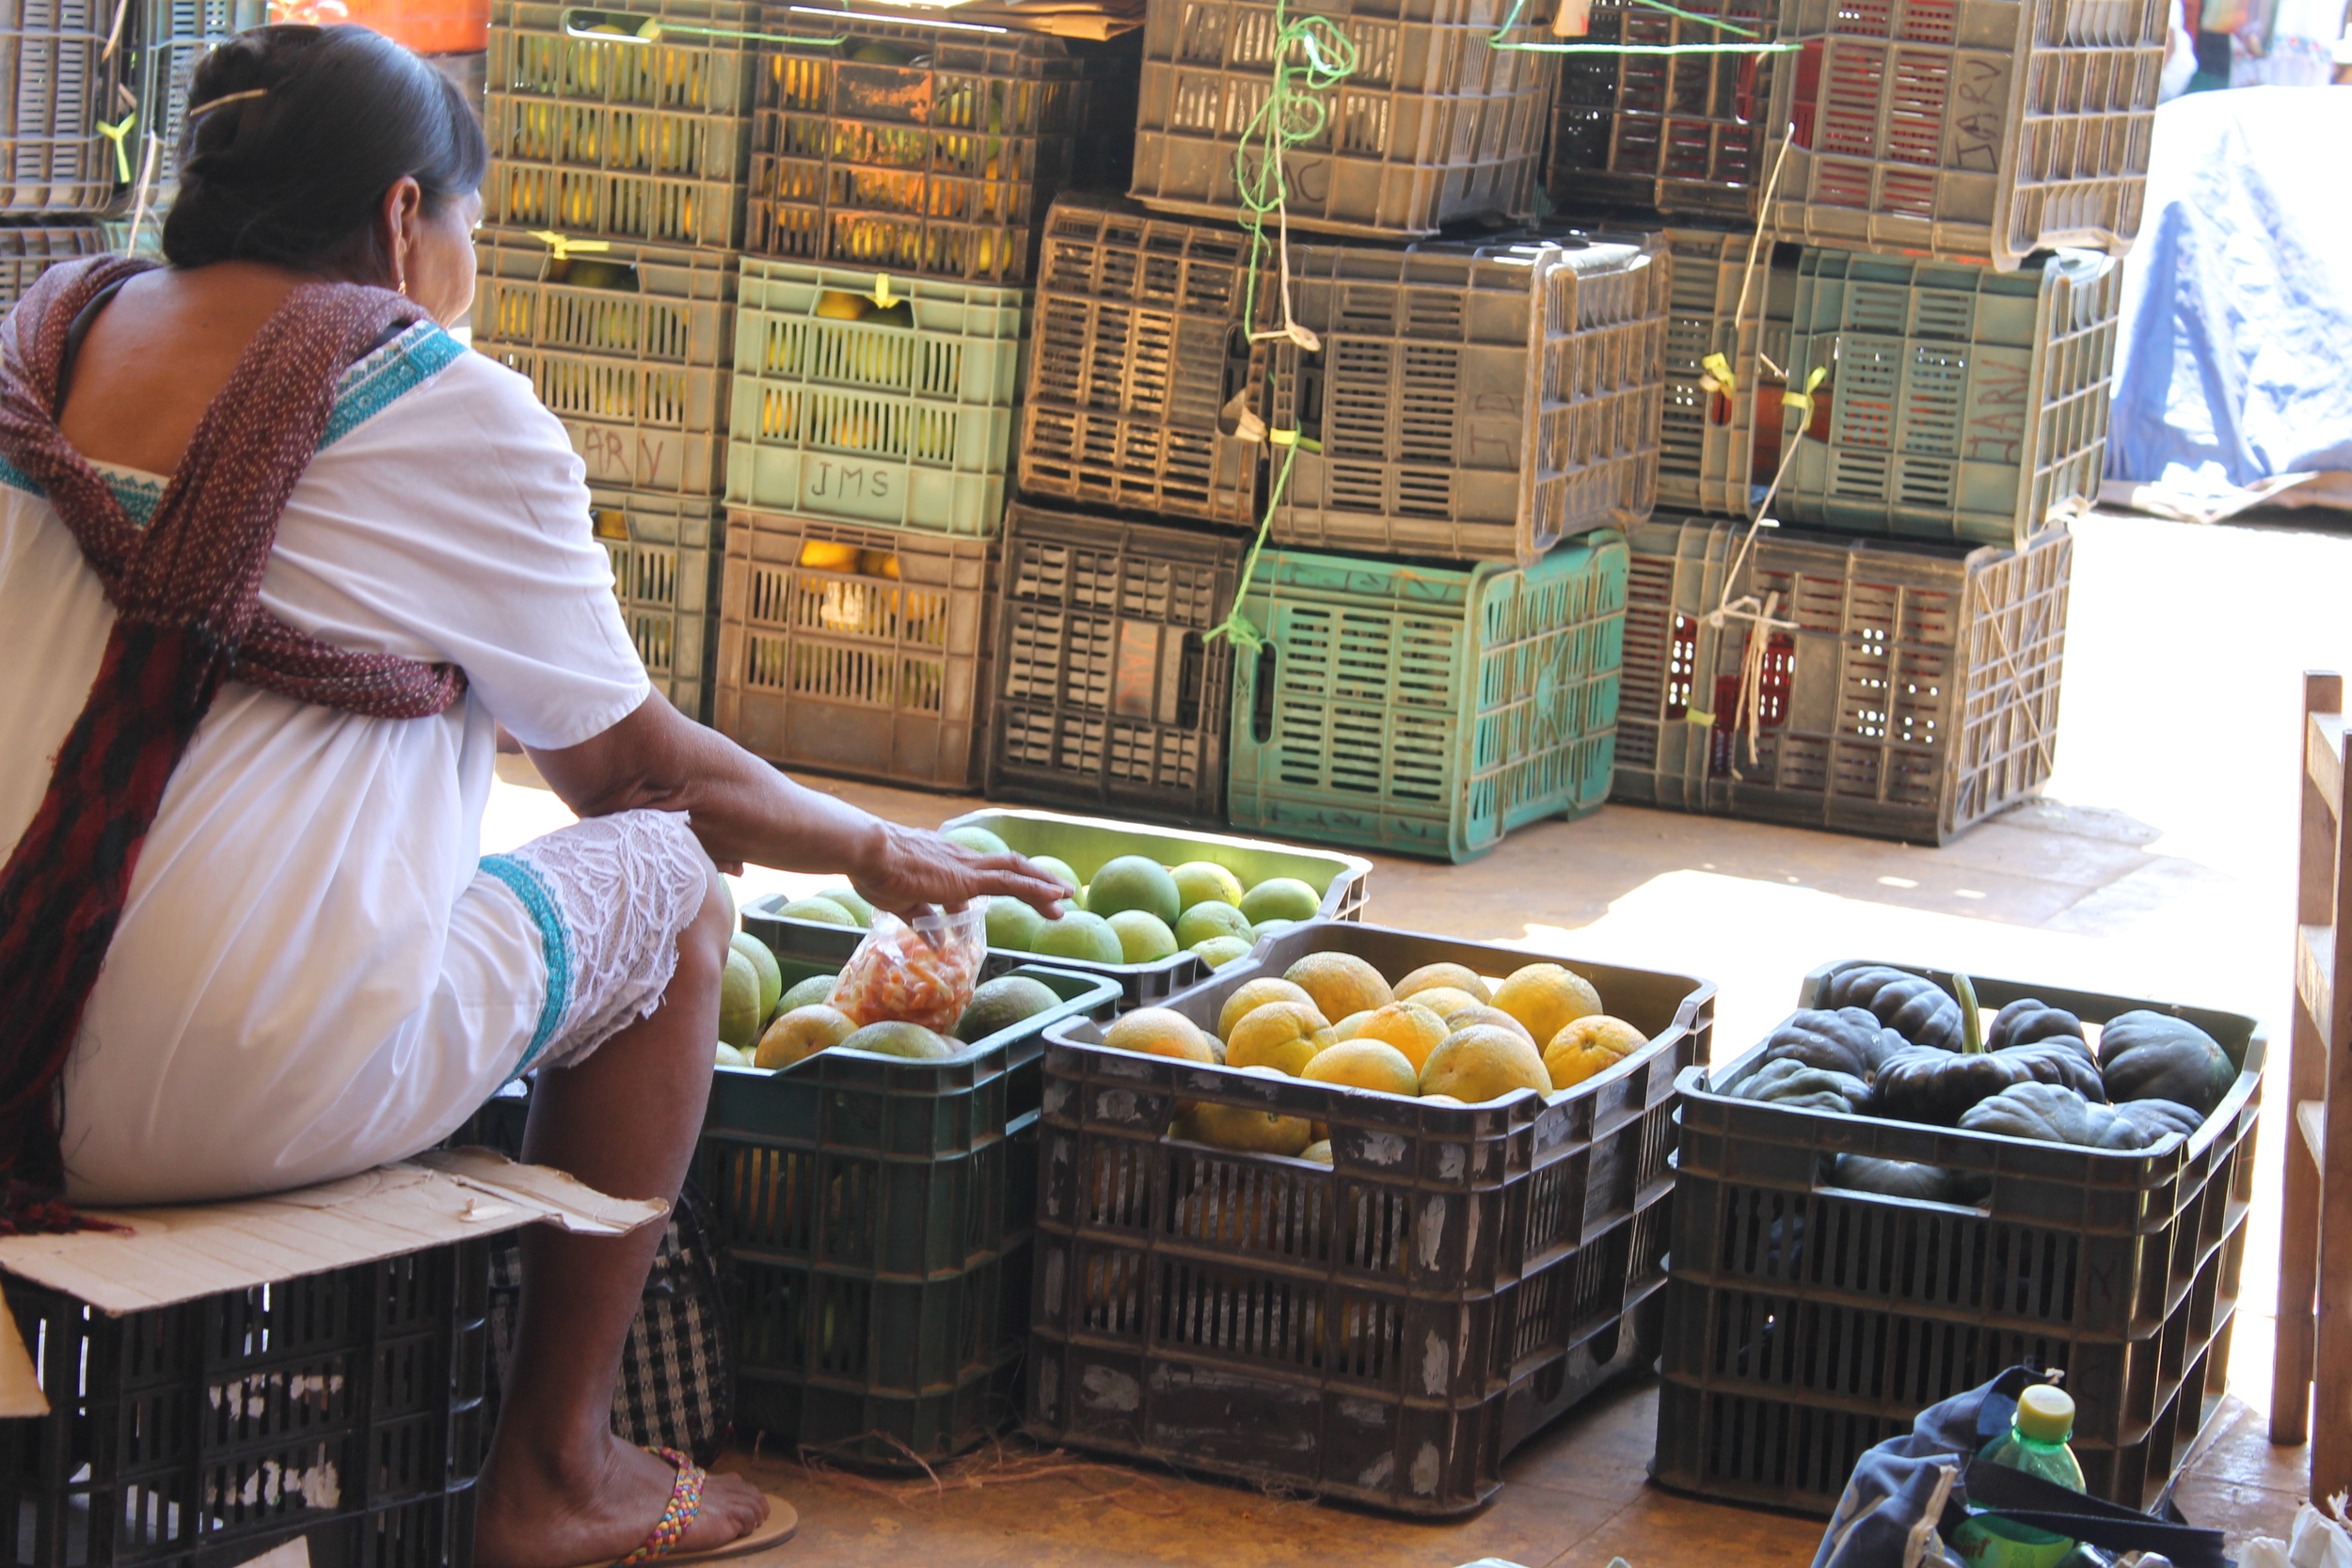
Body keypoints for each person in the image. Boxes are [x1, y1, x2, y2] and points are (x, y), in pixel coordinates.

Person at [0, 24, 1069, 1568]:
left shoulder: (37, 345)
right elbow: (642, 778)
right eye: (472, 228)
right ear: (398, 219)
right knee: (673, 889)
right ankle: (557, 1474)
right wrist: (879, 849)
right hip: (220, 1092)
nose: (470, 264)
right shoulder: (437, 405)